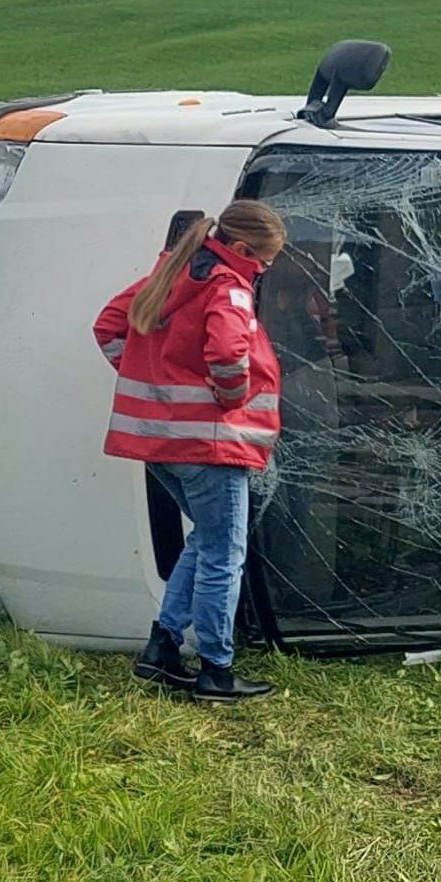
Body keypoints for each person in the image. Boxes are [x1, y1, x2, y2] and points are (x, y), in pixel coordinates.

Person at [93, 201, 288, 703]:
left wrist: (150, 383)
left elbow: (109, 325)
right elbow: (227, 353)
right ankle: (216, 671)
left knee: (207, 538)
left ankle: (162, 647)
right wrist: (229, 398)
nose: (263, 271)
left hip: (162, 444)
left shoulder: (173, 272)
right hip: (210, 444)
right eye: (263, 261)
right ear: (242, 249)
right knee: (225, 553)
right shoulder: (228, 286)